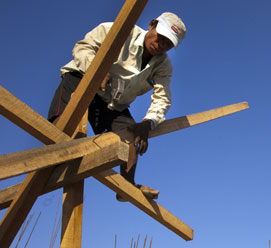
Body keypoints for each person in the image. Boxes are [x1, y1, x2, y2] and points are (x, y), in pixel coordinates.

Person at [48, 12, 186, 201]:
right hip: (83, 81)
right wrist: (96, 70)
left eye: (168, 44)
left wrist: (149, 122)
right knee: (62, 131)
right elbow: (83, 48)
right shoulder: (119, 31)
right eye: (160, 38)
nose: (161, 45)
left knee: (131, 138)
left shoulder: (162, 65)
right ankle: (55, 158)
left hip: (112, 101)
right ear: (152, 24)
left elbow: (163, 97)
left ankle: (126, 186)